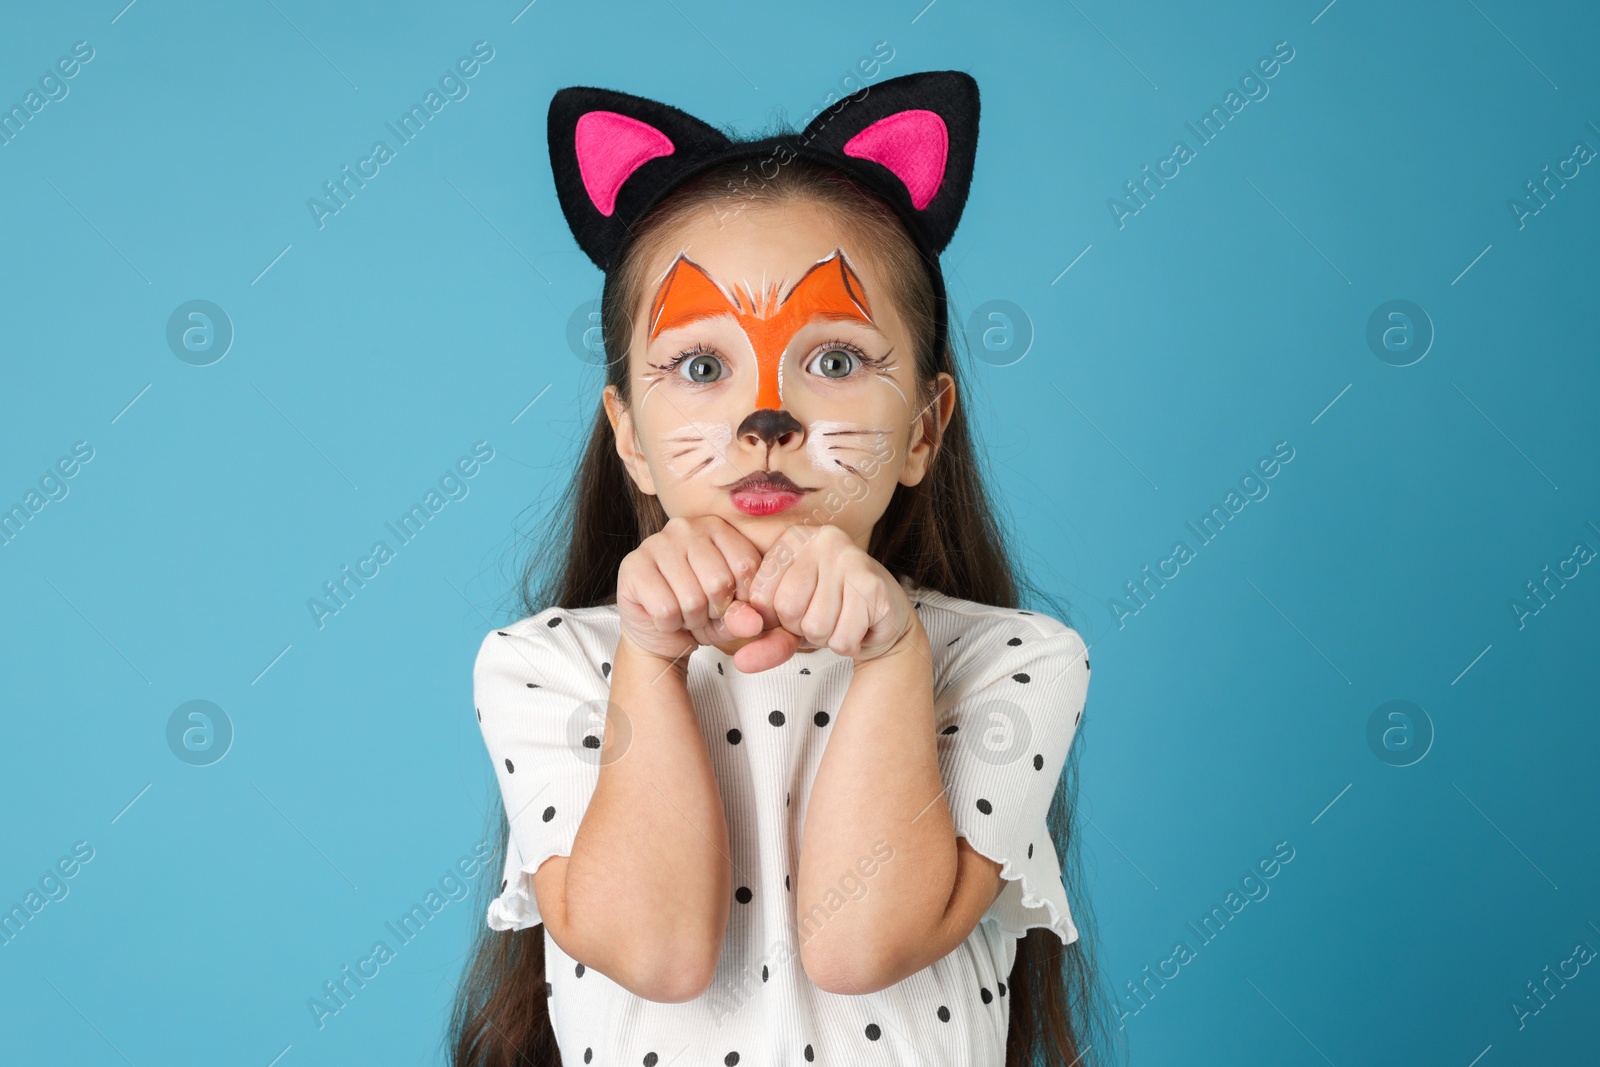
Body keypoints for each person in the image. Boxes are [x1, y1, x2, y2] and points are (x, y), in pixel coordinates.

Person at [450, 70, 1115, 1066]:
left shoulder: (1013, 659)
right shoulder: (543, 665)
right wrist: (649, 657)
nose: (768, 417)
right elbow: (658, 950)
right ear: (629, 434)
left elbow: (861, 942)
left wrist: (891, 657)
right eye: (702, 366)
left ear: (925, 426)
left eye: (837, 361)